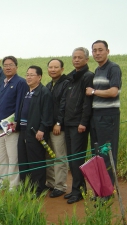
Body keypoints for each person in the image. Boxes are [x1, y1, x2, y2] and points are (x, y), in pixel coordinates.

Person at [86, 40, 122, 189]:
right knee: (98, 154)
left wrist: (93, 92)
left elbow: (114, 91)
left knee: (107, 154)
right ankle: (101, 188)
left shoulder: (113, 68)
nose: (97, 53)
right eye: (94, 50)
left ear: (108, 51)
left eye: (101, 50)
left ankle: (107, 190)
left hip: (108, 115)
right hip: (96, 115)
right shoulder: (98, 69)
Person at [16, 65, 53, 197]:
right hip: (23, 131)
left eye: (32, 75)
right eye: (27, 74)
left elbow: (47, 113)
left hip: (35, 132)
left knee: (36, 161)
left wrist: (42, 129)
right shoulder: (27, 91)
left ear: (39, 77)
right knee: (23, 161)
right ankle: (26, 187)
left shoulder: (44, 92)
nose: (28, 77)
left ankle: (38, 189)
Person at [64, 47, 94, 204]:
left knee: (77, 159)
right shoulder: (72, 77)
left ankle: (79, 191)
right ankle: (77, 188)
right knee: (71, 158)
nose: (76, 59)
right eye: (74, 57)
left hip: (79, 125)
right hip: (68, 123)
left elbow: (87, 102)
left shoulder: (88, 76)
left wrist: (83, 122)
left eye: (80, 57)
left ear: (86, 60)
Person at [0, 56, 28, 189]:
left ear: (16, 67)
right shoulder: (3, 83)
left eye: (11, 65)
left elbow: (20, 104)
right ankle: (3, 182)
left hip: (11, 126)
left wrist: (16, 123)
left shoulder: (20, 82)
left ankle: (14, 185)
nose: (8, 67)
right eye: (5, 65)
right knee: (1, 156)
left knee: (12, 156)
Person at [45, 59, 70, 198]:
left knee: (59, 156)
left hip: (58, 127)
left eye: (56, 67)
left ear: (62, 68)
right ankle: (51, 183)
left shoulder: (66, 83)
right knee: (48, 156)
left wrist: (59, 123)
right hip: (48, 126)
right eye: (50, 67)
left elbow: (64, 105)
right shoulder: (49, 85)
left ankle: (60, 186)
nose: (53, 69)